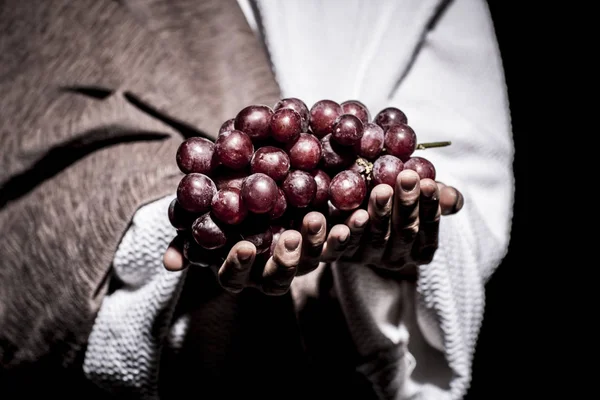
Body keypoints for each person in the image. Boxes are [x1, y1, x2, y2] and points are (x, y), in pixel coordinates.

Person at [0, 0, 513, 399]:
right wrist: (153, 222)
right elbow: (29, 95)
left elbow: (472, 160)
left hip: (328, 362)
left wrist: (391, 263)